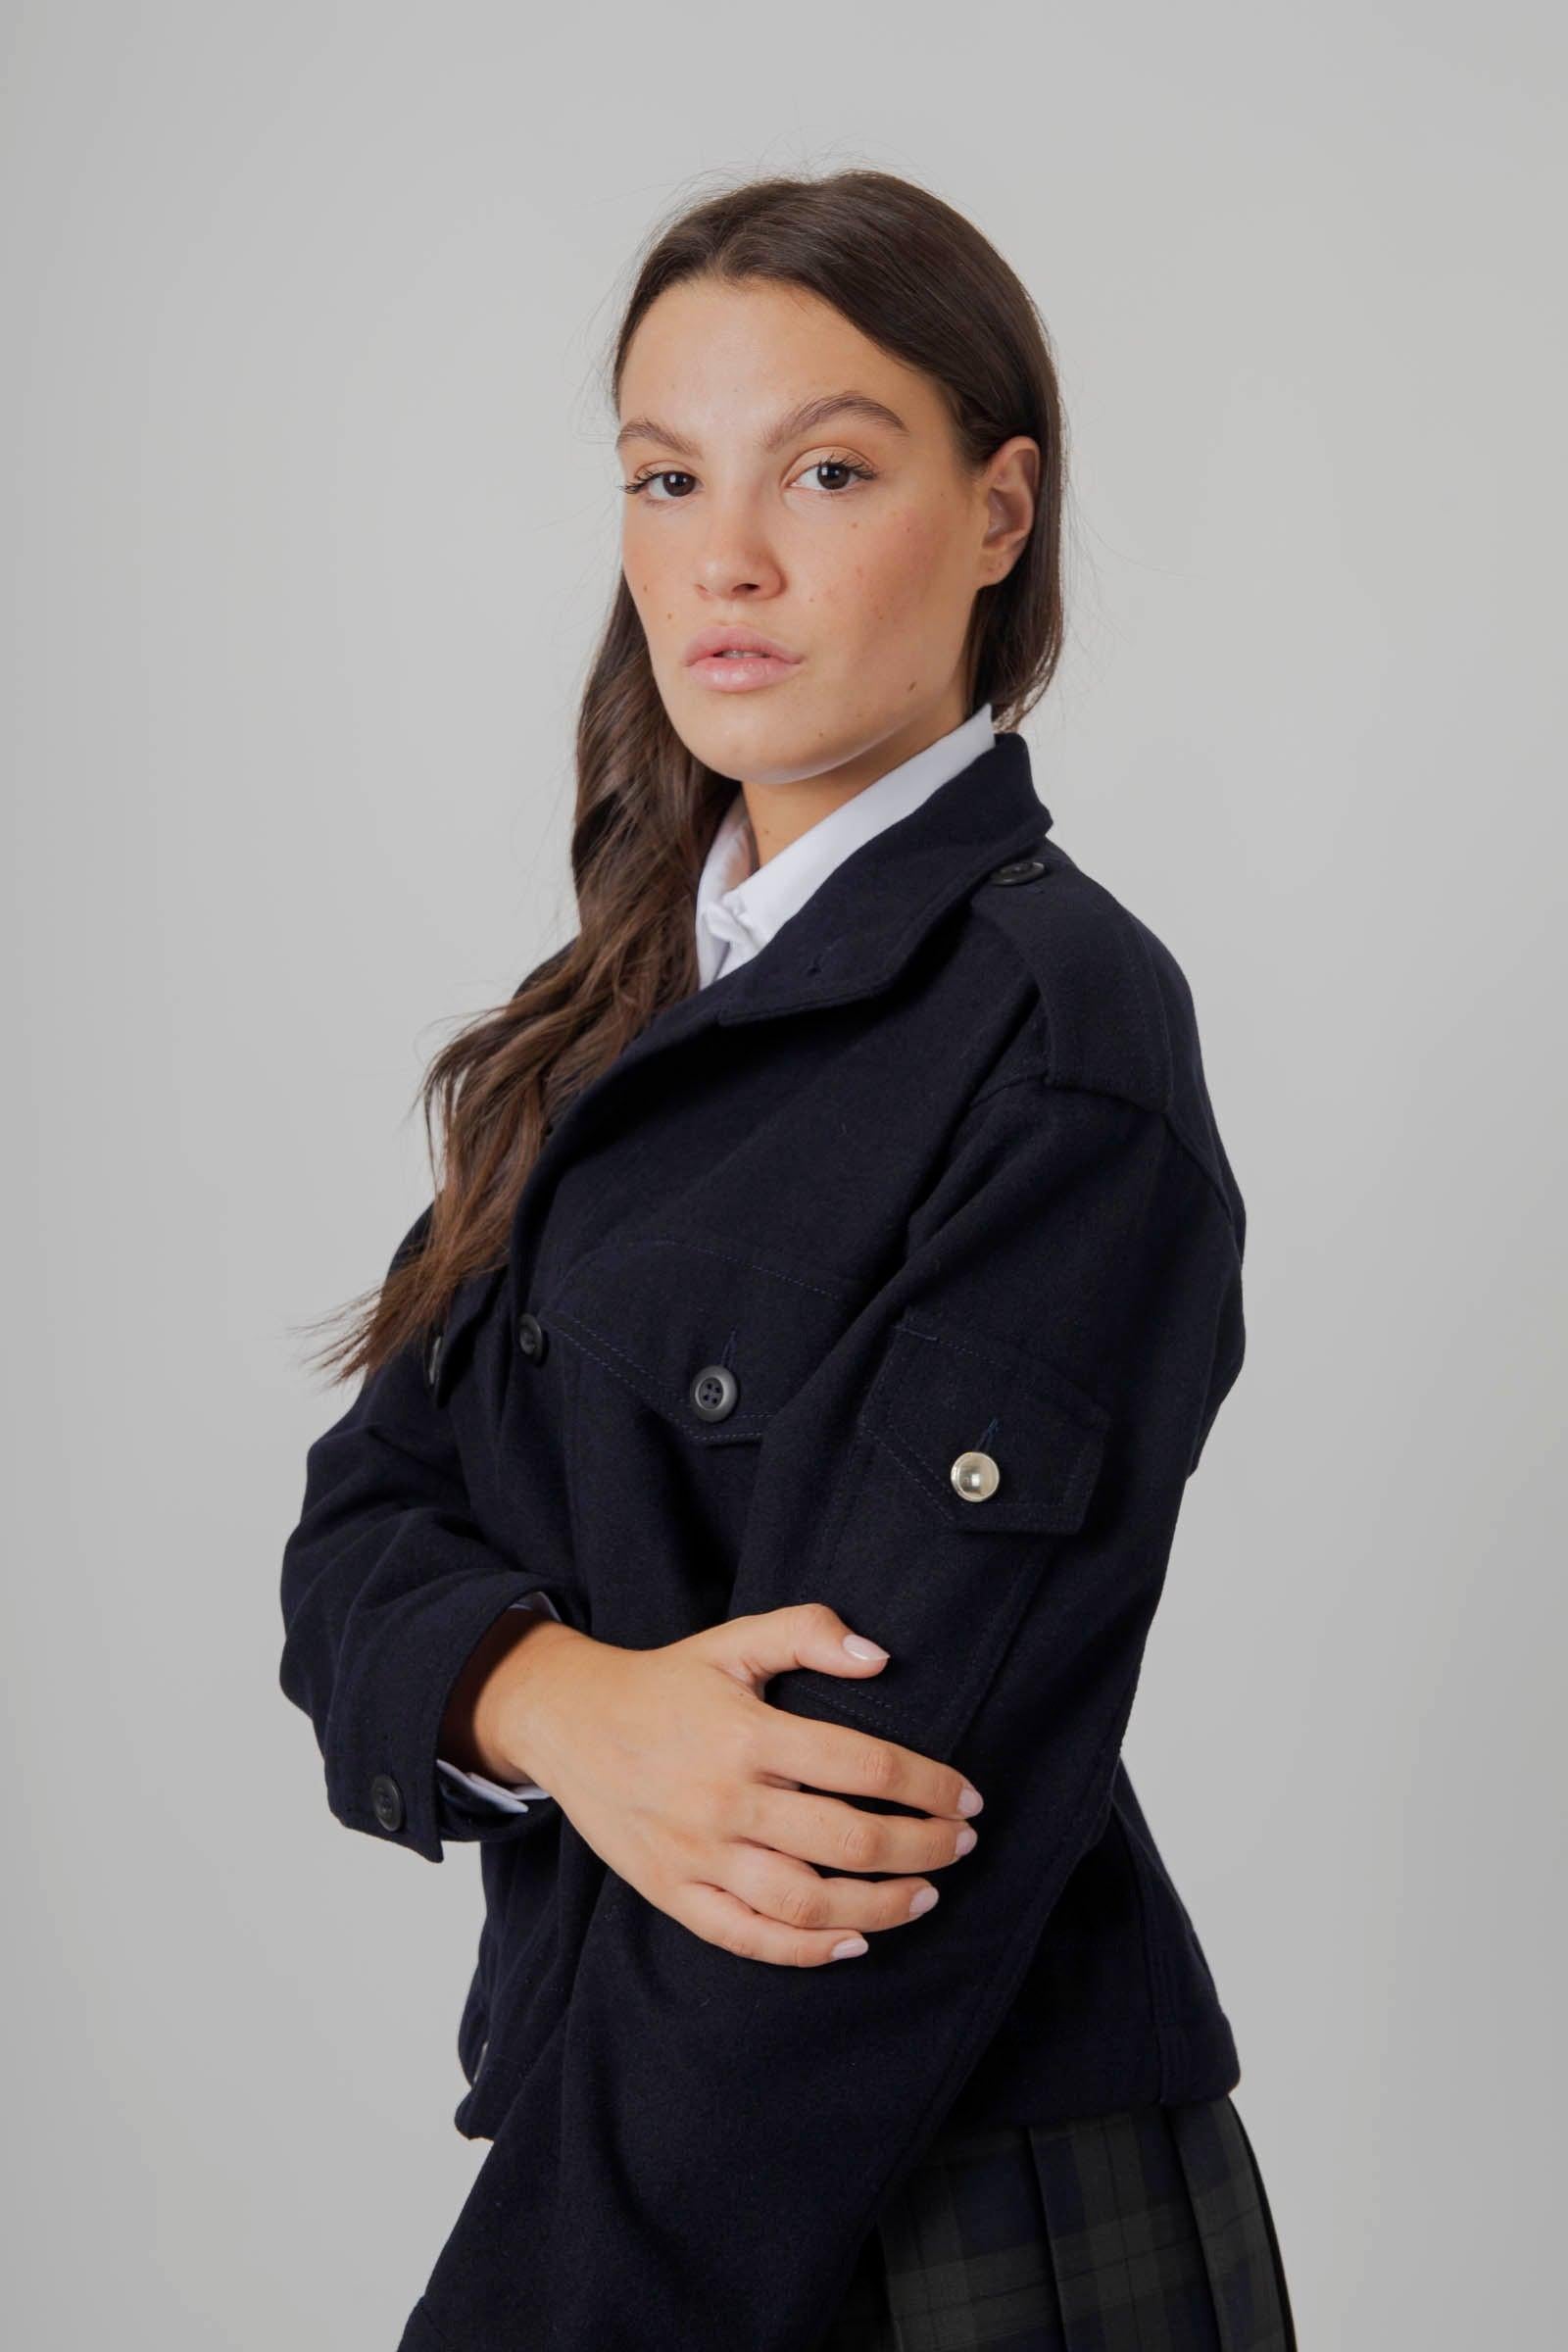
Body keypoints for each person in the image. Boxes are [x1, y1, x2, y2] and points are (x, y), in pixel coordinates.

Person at [278, 168, 1298, 2352]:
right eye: (666, 477)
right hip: (647, 2153)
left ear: (999, 510)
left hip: (944, 2201)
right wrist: (564, 1705)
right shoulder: (613, 1014)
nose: (722, 558)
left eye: (825, 471)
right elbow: (355, 1536)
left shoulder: (1059, 1034)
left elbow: (840, 1848)